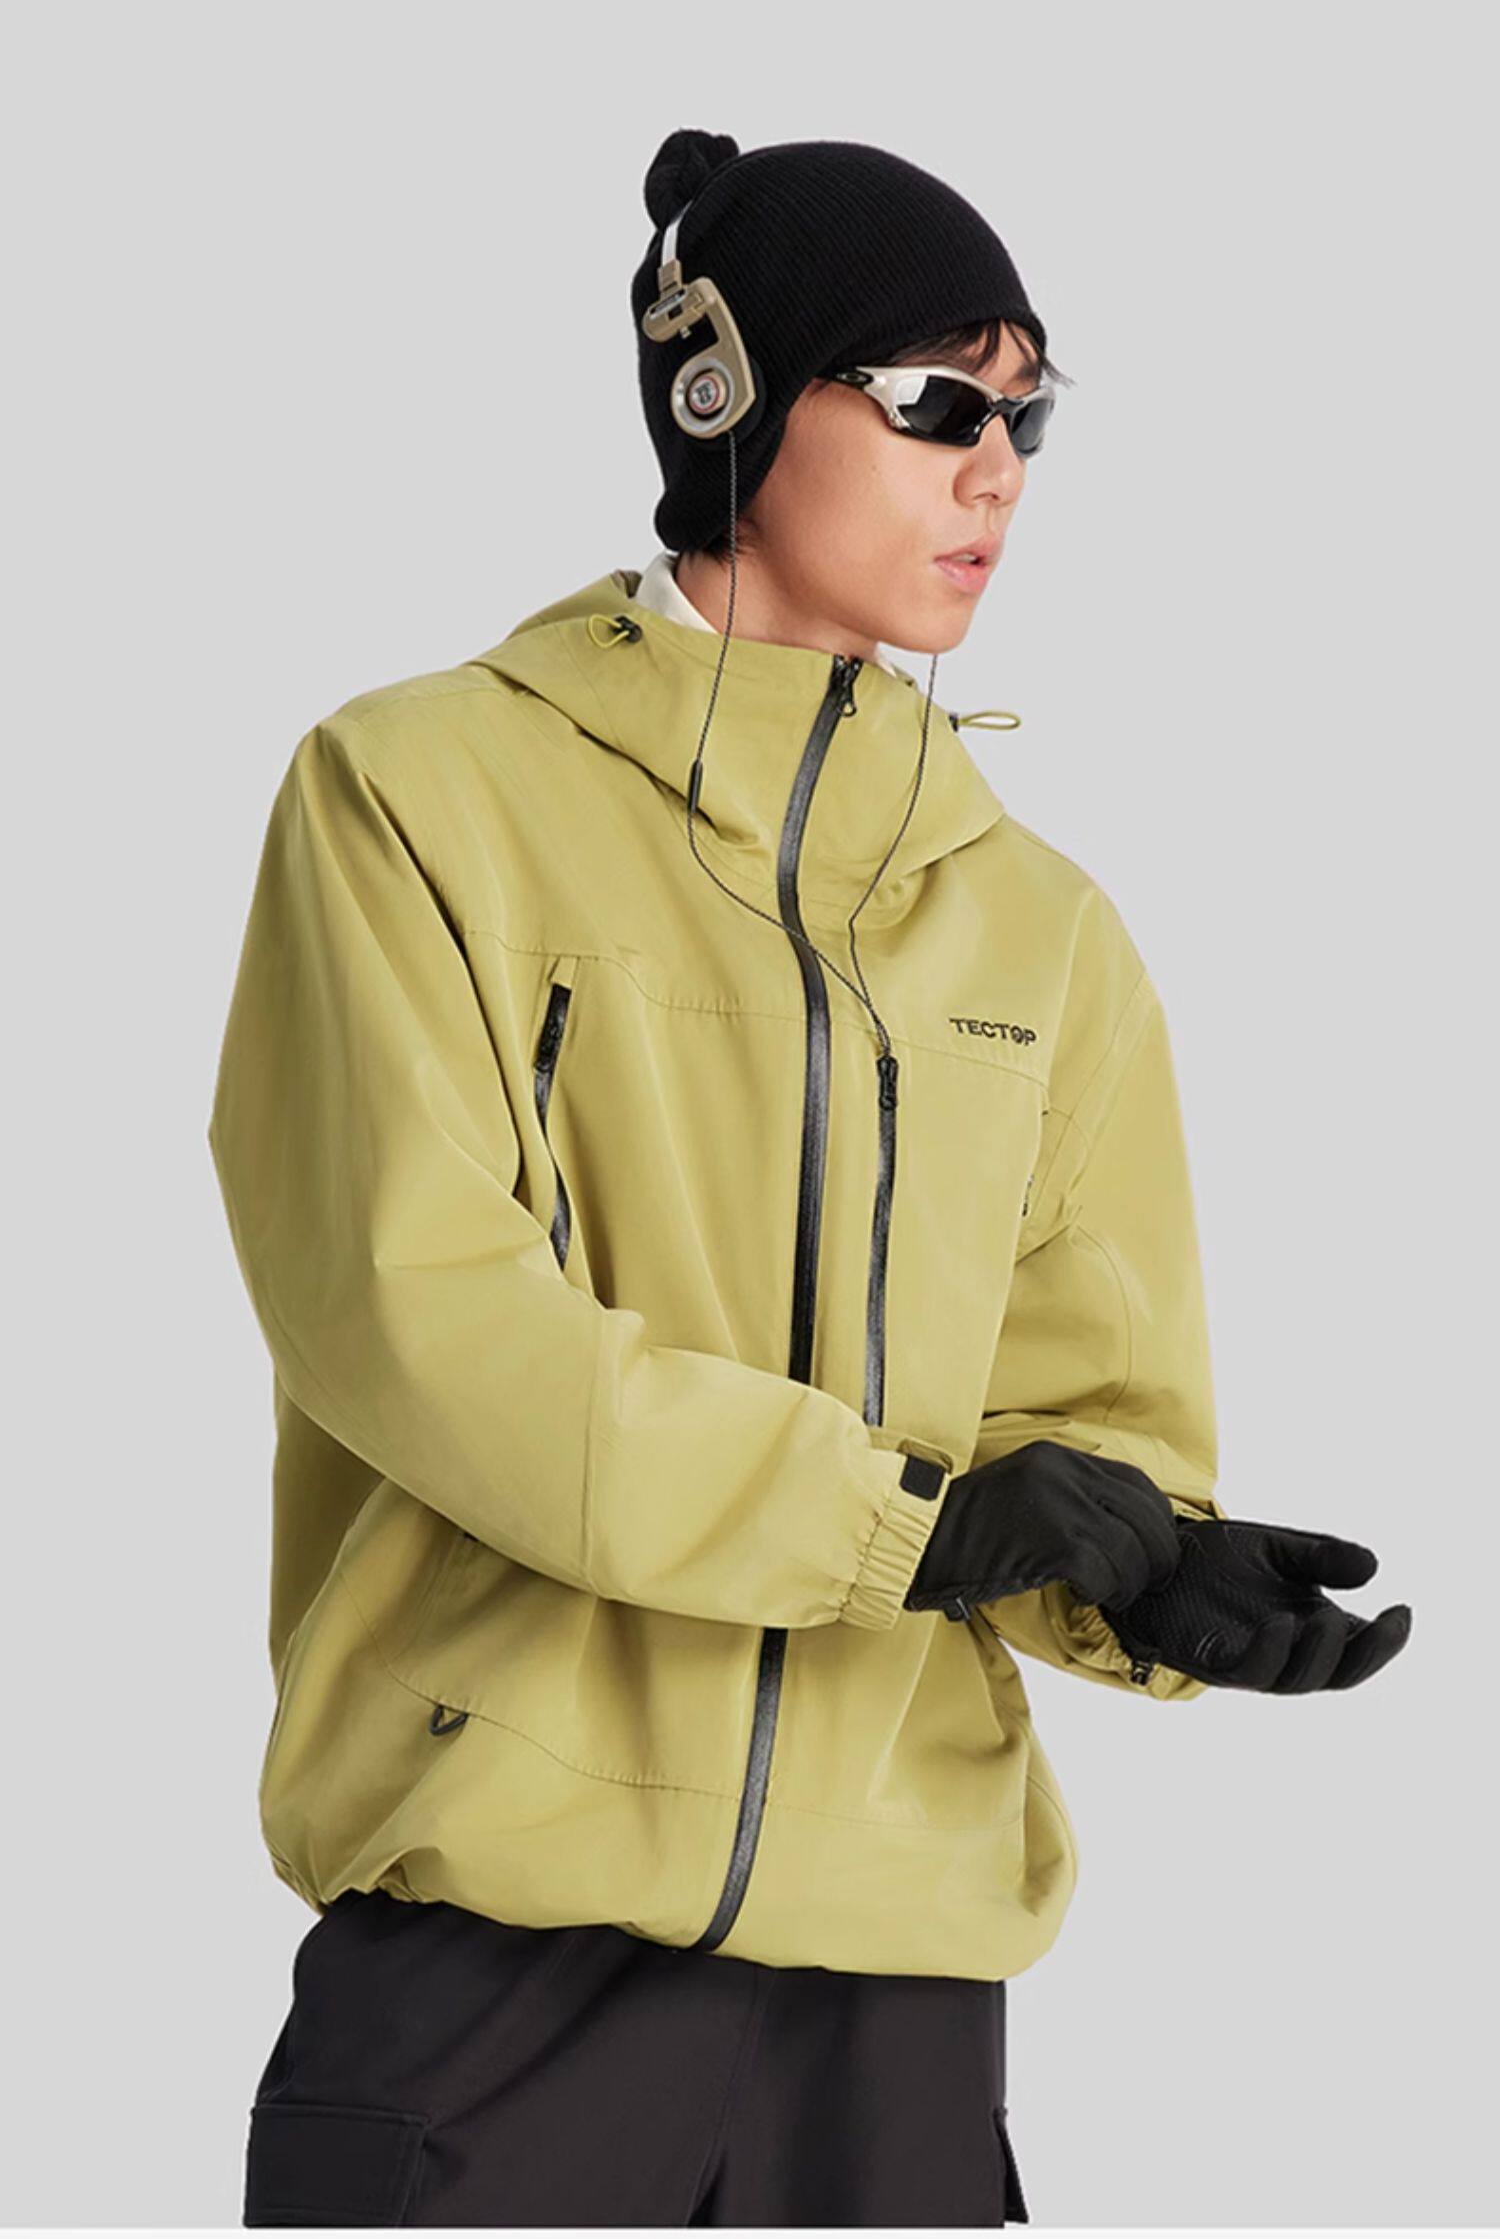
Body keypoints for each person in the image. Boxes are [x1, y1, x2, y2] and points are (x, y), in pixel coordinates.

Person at [207, 128, 1413, 2229]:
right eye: (940, 403)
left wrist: (1141, 1573)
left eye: (1031, 417)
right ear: (724, 398)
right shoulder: (412, 799)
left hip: (900, 2005)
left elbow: (1066, 1425)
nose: (999, 471)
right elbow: (425, 1322)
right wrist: (900, 1532)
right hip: (499, 1970)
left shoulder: (1040, 932)